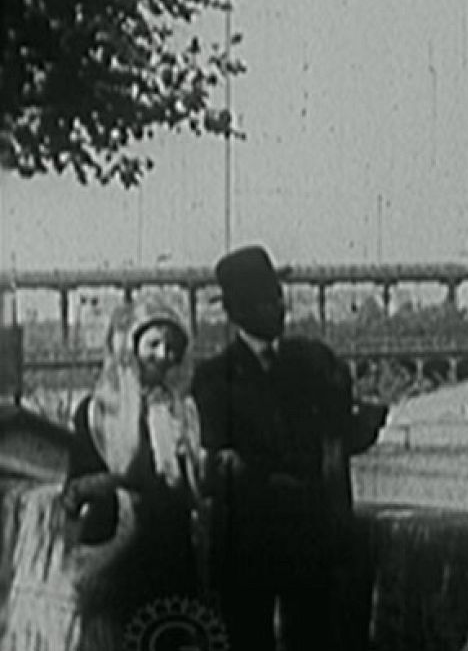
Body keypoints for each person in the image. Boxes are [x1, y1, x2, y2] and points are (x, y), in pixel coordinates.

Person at [191, 245, 387, 651]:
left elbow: (338, 437)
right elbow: (222, 459)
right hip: (247, 545)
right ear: (236, 311)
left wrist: (366, 425)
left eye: (277, 297)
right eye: (264, 300)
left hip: (312, 540)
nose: (278, 308)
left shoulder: (315, 361)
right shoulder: (214, 379)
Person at [60, 299, 206, 644]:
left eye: (172, 347)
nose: (163, 355)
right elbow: (77, 486)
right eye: (153, 344)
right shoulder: (97, 411)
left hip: (170, 549)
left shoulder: (183, 410)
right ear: (129, 348)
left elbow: (193, 486)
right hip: (115, 554)